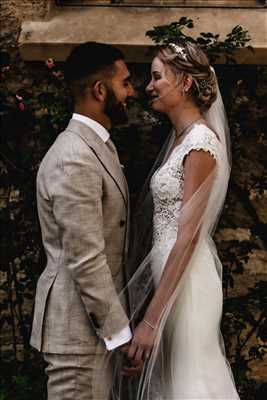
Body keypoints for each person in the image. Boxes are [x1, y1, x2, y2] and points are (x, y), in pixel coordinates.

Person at [121, 41, 240, 399]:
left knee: (193, 385)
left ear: (185, 82)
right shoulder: (181, 139)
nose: (148, 86)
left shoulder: (200, 143)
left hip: (188, 286)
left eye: (157, 77)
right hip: (172, 283)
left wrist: (151, 322)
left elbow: (186, 237)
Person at [30, 42, 136, 400]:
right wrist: (120, 333)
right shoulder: (74, 157)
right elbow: (86, 257)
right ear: (99, 90)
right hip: (77, 337)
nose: (131, 92)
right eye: (125, 83)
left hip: (93, 333)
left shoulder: (97, 146)